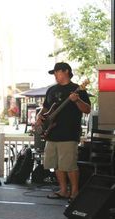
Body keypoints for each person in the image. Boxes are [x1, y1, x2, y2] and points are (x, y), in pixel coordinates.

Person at [35, 62, 91, 202]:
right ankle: (63, 190)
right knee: (56, 165)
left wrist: (77, 100)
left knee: (69, 165)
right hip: (51, 133)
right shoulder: (51, 90)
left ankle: (75, 192)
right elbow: (45, 108)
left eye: (57, 72)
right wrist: (39, 117)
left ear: (66, 71)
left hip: (69, 133)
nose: (55, 75)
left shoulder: (77, 89)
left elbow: (87, 109)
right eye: (54, 73)